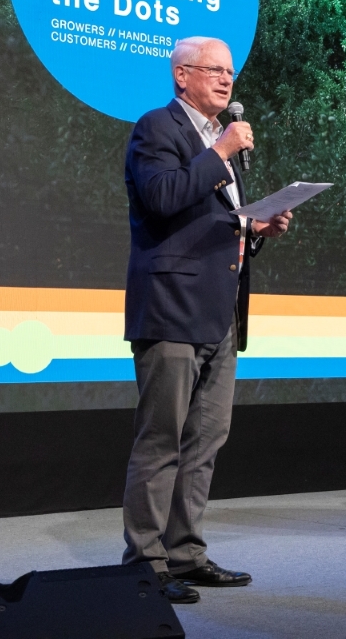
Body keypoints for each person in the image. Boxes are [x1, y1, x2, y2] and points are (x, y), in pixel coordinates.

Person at [122, 36, 292, 604]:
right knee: (161, 440)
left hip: (221, 314)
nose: (226, 80)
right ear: (181, 76)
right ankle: (145, 562)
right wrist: (218, 152)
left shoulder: (217, 145)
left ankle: (186, 553)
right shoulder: (157, 129)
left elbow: (214, 224)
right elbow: (163, 198)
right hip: (170, 312)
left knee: (205, 441)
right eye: (213, 70)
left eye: (230, 71)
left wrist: (255, 227)